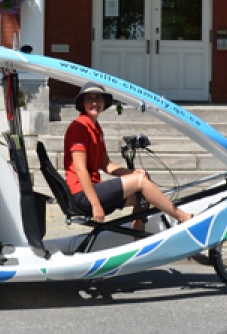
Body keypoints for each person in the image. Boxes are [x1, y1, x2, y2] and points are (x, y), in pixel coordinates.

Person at [63, 82, 192, 234]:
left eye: (98, 99)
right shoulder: (79, 127)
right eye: (89, 99)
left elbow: (107, 165)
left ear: (104, 103)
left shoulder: (96, 128)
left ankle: (139, 244)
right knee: (140, 182)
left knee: (142, 198)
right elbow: (80, 169)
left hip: (92, 190)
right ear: (82, 103)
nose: (94, 103)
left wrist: (133, 173)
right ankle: (183, 217)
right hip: (82, 195)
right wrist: (95, 204)